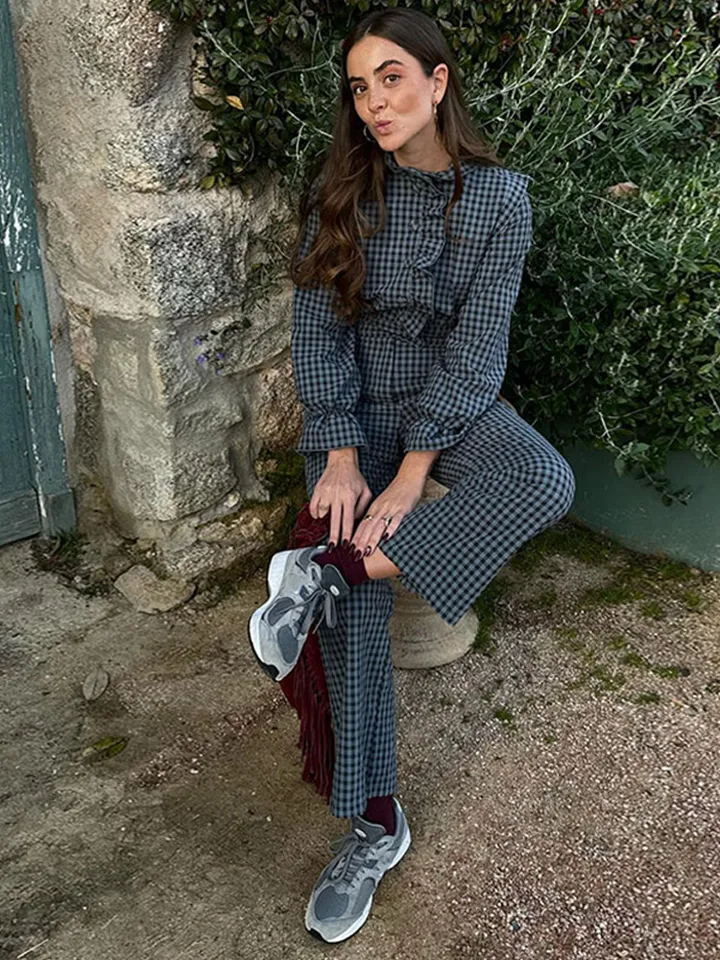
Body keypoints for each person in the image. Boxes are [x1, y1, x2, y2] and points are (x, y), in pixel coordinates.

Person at [248, 6, 576, 944]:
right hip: (355, 416)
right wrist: (344, 455)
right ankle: (375, 826)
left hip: (451, 408)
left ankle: (322, 574)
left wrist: (415, 470)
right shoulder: (341, 194)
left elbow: (479, 348)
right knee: (357, 615)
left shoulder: (501, 200)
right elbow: (318, 332)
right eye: (360, 87)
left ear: (438, 81)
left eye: (391, 78)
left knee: (544, 479)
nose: (375, 103)